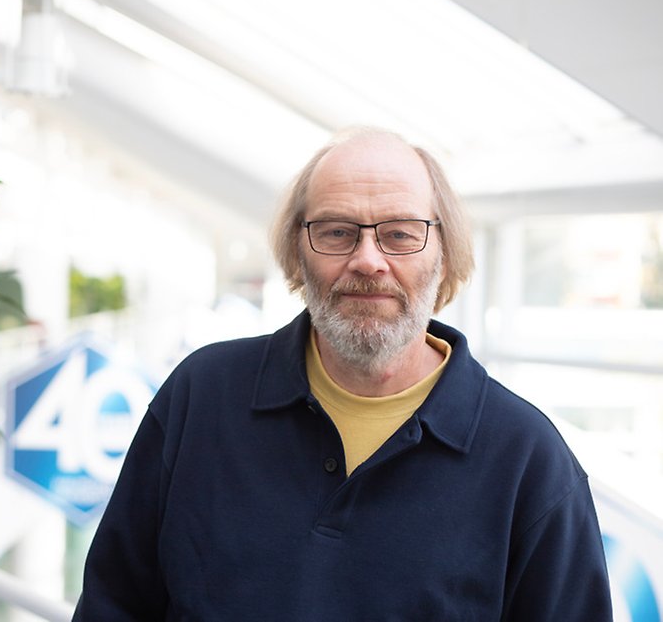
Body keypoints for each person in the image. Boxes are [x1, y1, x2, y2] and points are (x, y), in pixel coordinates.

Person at [72, 126, 613, 621]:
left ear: (443, 257)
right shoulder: (200, 398)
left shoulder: (528, 462)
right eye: (336, 232)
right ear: (297, 251)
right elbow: (112, 604)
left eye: (400, 234)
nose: (368, 260)